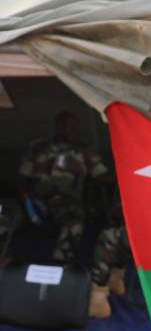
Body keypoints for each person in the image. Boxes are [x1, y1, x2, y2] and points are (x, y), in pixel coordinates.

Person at [16, 111, 110, 261]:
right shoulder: (39, 146)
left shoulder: (85, 150)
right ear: (57, 126)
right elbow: (23, 175)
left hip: (66, 201)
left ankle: (60, 262)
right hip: (35, 201)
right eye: (66, 124)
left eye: (74, 126)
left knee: (74, 222)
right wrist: (24, 198)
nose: (71, 129)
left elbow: (102, 176)